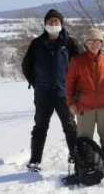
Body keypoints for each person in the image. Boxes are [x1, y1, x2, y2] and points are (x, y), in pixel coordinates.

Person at [21, 9, 80, 172]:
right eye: (50, 22)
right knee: (40, 127)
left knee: (70, 126)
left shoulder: (70, 43)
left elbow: (79, 66)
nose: (53, 24)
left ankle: (75, 155)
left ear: (61, 24)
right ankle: (35, 161)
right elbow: (26, 65)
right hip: (43, 94)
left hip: (64, 93)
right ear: (45, 24)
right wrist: (35, 82)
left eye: (56, 22)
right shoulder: (37, 44)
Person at [66, 28, 104, 168]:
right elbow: (69, 84)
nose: (94, 43)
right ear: (86, 43)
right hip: (84, 106)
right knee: (84, 138)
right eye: (91, 41)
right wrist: (71, 103)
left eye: (97, 41)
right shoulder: (77, 61)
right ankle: (84, 165)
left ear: (101, 43)